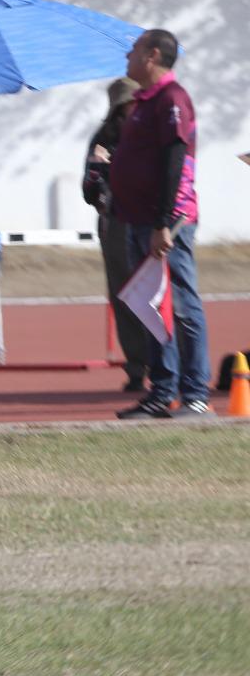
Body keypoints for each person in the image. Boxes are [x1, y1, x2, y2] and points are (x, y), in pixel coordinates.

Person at [108, 29, 214, 419]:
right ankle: (161, 392)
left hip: (166, 225)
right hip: (137, 220)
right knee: (151, 307)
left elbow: (175, 162)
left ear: (152, 56)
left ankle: (195, 394)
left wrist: (164, 223)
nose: (127, 57)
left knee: (183, 305)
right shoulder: (142, 101)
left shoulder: (172, 99)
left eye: (133, 51)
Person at [82, 77, 148, 392]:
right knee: (124, 295)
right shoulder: (104, 136)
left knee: (156, 294)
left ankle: (169, 367)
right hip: (115, 222)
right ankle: (137, 366)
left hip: (148, 220)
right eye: (126, 103)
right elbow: (89, 191)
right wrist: (97, 168)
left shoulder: (152, 132)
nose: (132, 107)